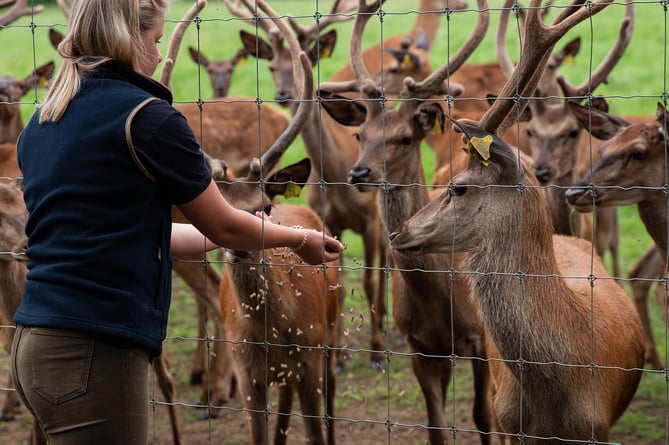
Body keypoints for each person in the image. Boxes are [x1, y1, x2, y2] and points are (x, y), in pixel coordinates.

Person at [9, 0, 344, 443]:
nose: (157, 53)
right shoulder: (146, 118)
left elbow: (136, 231)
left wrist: (225, 235)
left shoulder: (44, 119)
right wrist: (299, 238)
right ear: (129, 39)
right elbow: (224, 226)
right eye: (155, 41)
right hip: (96, 349)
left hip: (32, 344)